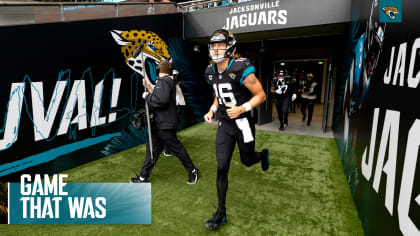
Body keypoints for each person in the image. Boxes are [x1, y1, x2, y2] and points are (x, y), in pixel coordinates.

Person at [203, 29, 270, 230]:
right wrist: (212, 110)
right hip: (225, 124)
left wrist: (242, 108)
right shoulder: (210, 71)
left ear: (230, 46)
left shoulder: (240, 67)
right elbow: (219, 95)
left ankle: (262, 155)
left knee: (247, 161)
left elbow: (261, 95)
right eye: (213, 45)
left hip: (243, 123)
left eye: (220, 45)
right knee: (222, 166)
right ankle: (220, 213)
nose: (216, 49)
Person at [130, 61, 199, 184]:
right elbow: (158, 97)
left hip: (165, 124)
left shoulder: (165, 81)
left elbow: (160, 101)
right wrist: (150, 88)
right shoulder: (164, 82)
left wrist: (146, 96)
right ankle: (142, 177)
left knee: (178, 149)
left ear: (158, 69)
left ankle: (193, 171)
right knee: (152, 152)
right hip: (158, 124)